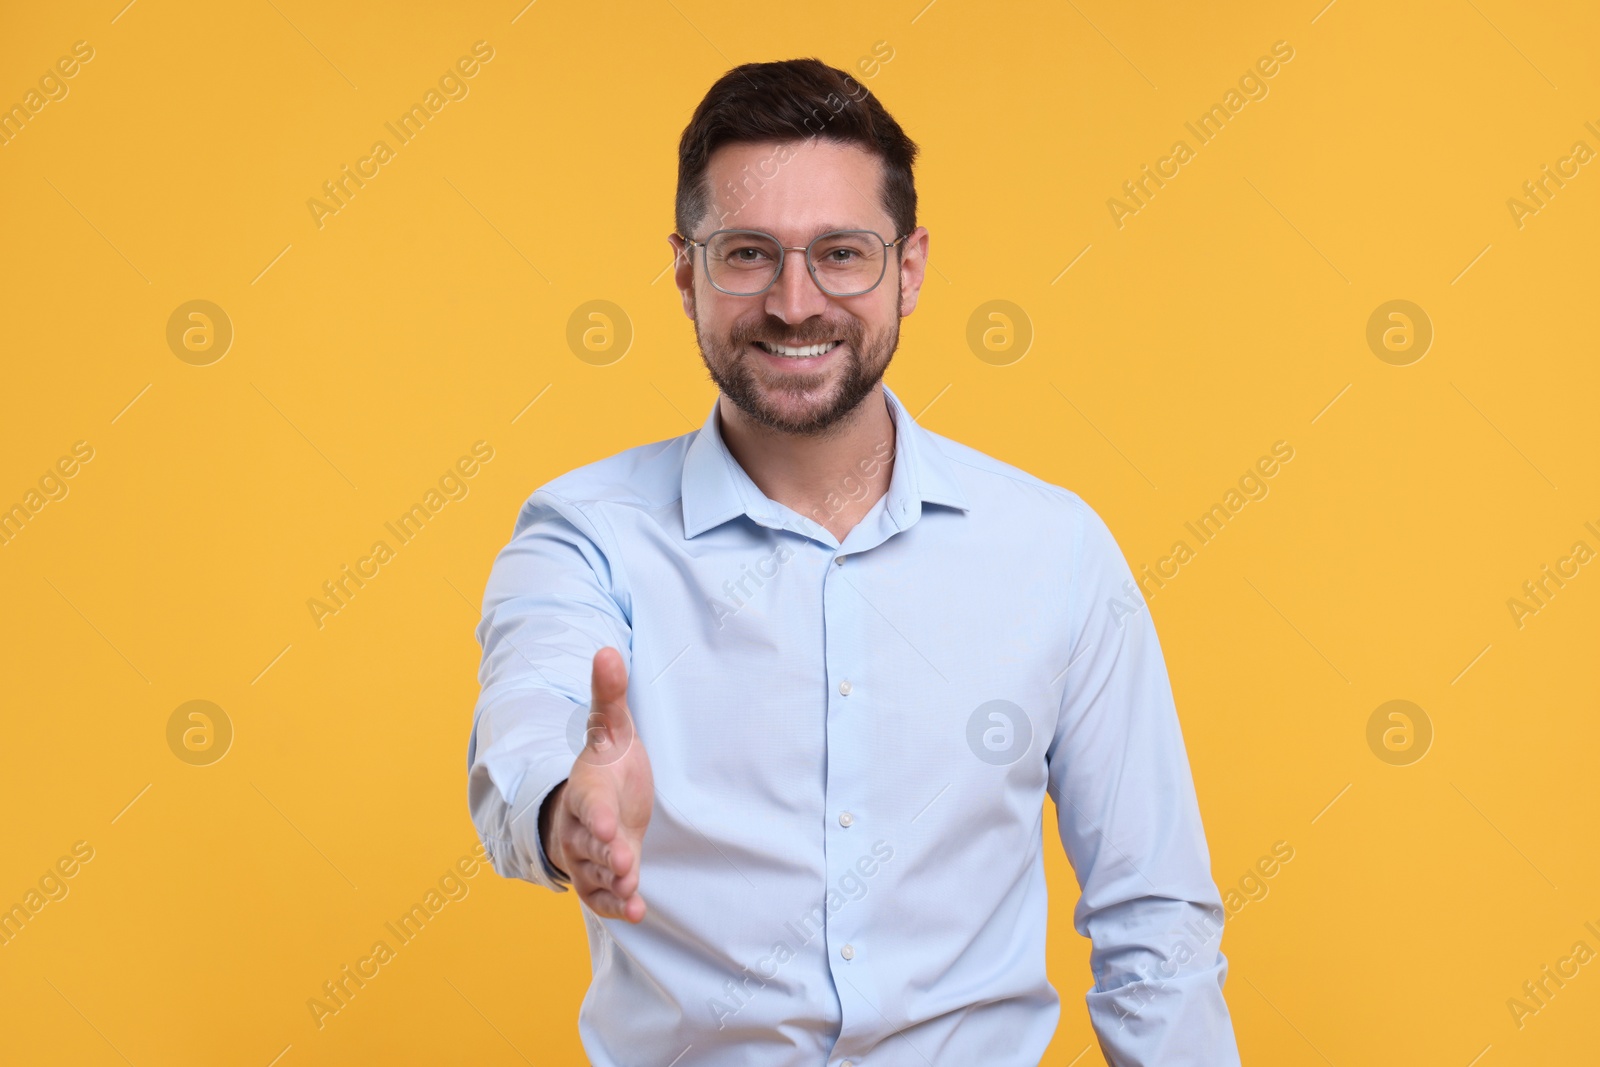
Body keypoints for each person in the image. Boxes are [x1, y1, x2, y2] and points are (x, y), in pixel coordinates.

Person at [466, 57, 1241, 1067]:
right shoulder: (586, 532)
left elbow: (1155, 918)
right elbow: (527, 722)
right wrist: (568, 811)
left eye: (841, 252)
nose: (796, 302)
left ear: (908, 268)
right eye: (748, 253)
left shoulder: (1054, 549)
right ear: (684, 268)